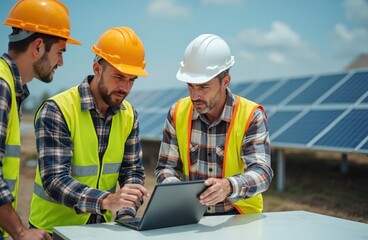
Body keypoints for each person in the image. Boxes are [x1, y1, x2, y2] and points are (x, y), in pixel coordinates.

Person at [28, 26, 150, 235]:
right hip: (51, 231)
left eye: (132, 80)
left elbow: (132, 172)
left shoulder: (129, 115)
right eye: (119, 77)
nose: (126, 88)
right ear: (97, 69)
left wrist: (126, 213)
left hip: (100, 231)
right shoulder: (58, 109)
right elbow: (55, 180)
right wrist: (107, 201)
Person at [155, 34, 274, 216]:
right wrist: (177, 193)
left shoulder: (251, 115)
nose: (195, 95)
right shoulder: (177, 112)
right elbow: (166, 168)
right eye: (190, 86)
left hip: (238, 216)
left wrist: (228, 186)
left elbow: (262, 173)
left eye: (203, 87)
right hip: (192, 216)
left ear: (225, 81)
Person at [0, 0, 81, 239]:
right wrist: (21, 232)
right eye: (60, 52)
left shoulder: (10, 87)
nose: (61, 62)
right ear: (37, 47)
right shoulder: (2, 87)